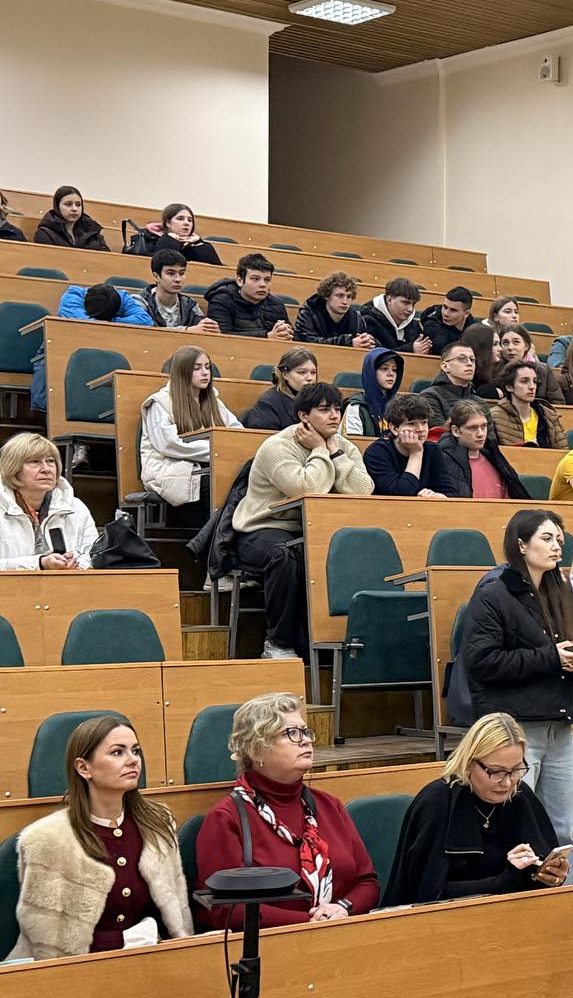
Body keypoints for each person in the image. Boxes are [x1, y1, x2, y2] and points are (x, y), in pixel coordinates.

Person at [456, 509, 573, 880]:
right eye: (546, 539)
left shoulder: (562, 589)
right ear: (521, 545)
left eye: (559, 540)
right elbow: (482, 662)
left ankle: (560, 900)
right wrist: (552, 658)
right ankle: (517, 898)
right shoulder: (493, 594)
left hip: (559, 723)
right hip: (515, 729)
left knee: (563, 830)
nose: (556, 547)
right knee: (516, 828)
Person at [9, 716, 191, 959]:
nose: (133, 760)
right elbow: (49, 944)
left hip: (153, 961)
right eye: (117, 752)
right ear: (83, 768)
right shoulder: (47, 839)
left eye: (135, 751)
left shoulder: (157, 824)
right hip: (76, 972)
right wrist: (123, 941)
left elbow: (175, 919)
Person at [194, 693, 379, 929]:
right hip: (271, 944)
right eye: (291, 733)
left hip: (343, 934)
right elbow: (225, 910)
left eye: (305, 732)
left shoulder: (329, 806)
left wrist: (343, 907)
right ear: (256, 750)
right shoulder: (226, 818)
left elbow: (367, 882)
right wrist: (310, 923)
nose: (306, 740)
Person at [231, 383, 374, 660]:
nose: (334, 416)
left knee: (349, 553)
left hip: (314, 531)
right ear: (304, 416)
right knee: (286, 555)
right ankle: (278, 643)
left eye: (337, 409)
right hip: (262, 529)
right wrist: (319, 450)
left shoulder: (344, 446)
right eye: (324, 410)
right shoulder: (277, 447)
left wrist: (334, 452)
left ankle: (339, 647)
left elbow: (363, 491)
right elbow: (308, 489)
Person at [382, 713, 571, 906]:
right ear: (469, 762)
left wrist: (549, 875)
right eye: (496, 772)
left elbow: (533, 877)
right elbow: (426, 893)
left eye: (516, 770)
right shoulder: (437, 803)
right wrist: (504, 881)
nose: (507, 783)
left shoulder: (520, 796)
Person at [139, 345, 243, 514]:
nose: (205, 373)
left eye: (207, 367)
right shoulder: (159, 403)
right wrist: (217, 451)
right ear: (182, 372)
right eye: (197, 368)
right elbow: (169, 445)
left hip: (207, 466)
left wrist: (227, 451)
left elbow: (237, 433)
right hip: (169, 469)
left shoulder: (214, 402)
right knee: (215, 483)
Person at [31, 282, 155, 411]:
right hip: (66, 349)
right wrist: (112, 324)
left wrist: (110, 322)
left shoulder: (122, 298)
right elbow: (83, 322)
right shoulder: (73, 295)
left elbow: (145, 321)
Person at [0, 433, 99, 570]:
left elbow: (95, 558)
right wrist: (39, 563)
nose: (46, 469)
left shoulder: (76, 507)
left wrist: (76, 564)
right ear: (13, 469)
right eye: (34, 462)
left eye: (50, 461)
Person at [362, 394, 462, 498]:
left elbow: (451, 493)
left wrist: (438, 496)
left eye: (424, 422)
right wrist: (416, 453)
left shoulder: (433, 450)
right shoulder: (377, 452)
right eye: (411, 423)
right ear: (394, 428)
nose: (421, 429)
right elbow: (401, 494)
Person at [437, 401, 531, 500]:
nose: (480, 434)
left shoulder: (493, 455)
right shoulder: (442, 459)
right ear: (456, 431)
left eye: (483, 426)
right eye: (473, 428)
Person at [204, 253, 292, 339]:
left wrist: (286, 334)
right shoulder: (221, 301)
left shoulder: (277, 305)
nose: (263, 284)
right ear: (240, 281)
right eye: (255, 279)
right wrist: (267, 336)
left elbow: (291, 337)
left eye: (267, 279)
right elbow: (221, 338)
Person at [138, 249, 218, 331]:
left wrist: (210, 329)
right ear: (156, 276)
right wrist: (187, 330)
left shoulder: (189, 304)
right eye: (171, 273)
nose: (178, 279)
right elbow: (143, 331)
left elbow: (202, 330)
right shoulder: (140, 301)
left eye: (181, 273)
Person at [294, 270, 376, 348]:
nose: (345, 301)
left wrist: (368, 342)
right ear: (327, 296)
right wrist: (348, 342)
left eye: (349, 297)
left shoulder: (357, 319)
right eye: (340, 296)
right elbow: (307, 341)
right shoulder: (308, 313)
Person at [490, 360, 562, 449]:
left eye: (534, 381)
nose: (532, 387)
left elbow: (562, 452)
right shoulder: (494, 417)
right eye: (524, 381)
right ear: (509, 387)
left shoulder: (549, 415)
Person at [241, 348, 318, 431]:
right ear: (285, 374)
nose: (310, 378)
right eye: (302, 372)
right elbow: (265, 437)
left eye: (313, 372)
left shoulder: (320, 399)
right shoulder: (269, 403)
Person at [358, 277, 432, 354]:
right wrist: (410, 349)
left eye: (413, 304)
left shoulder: (414, 326)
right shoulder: (367, 322)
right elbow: (375, 355)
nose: (410, 309)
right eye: (405, 303)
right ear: (389, 300)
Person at [341, 347, 404, 437]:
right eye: (384, 368)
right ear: (371, 372)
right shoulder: (357, 407)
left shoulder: (401, 407)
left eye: (394, 370)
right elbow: (354, 442)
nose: (391, 373)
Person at [419, 342, 480, 428]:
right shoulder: (429, 397)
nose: (469, 363)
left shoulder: (479, 401)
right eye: (462, 359)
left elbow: (490, 435)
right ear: (445, 366)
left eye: (472, 360)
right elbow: (439, 433)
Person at [145, 203, 223, 266]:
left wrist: (198, 242)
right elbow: (165, 265)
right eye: (180, 219)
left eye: (189, 220)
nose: (186, 223)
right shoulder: (159, 240)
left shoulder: (202, 245)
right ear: (168, 223)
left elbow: (216, 269)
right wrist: (171, 240)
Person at [32, 185, 108, 250]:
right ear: (57, 206)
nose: (74, 209)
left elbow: (106, 258)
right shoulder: (45, 233)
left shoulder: (92, 231)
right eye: (68, 204)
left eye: (78, 205)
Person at [419, 285, 475, 352]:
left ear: (466, 313)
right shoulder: (432, 325)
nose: (446, 313)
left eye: (453, 310)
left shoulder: (474, 330)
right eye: (445, 307)